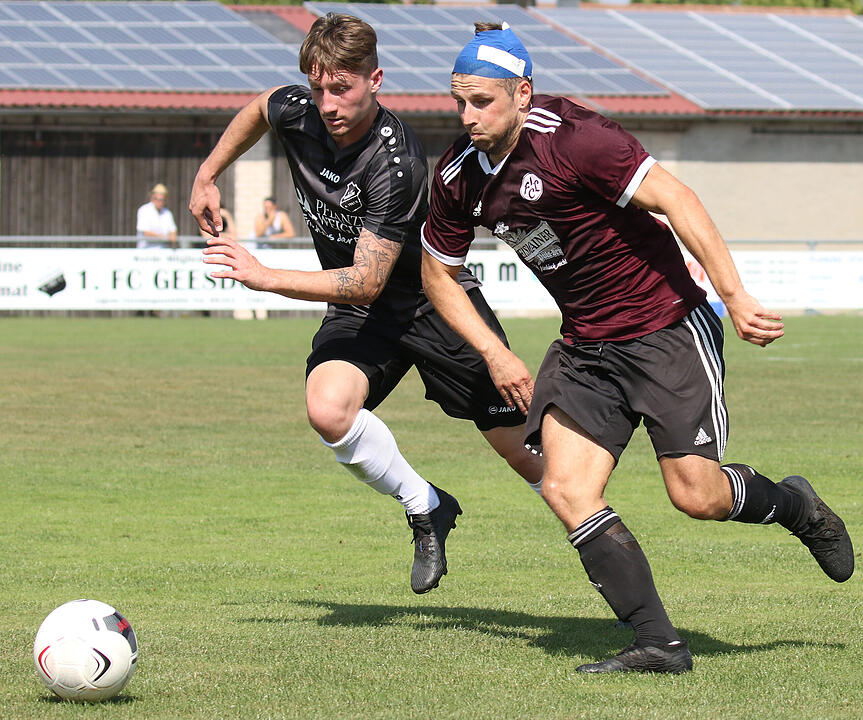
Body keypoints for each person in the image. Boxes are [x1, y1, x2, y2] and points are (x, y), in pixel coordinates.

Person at [420, 22, 854, 673]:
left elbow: (677, 198)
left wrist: (733, 296)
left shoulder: (574, 138)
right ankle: (658, 643)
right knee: (566, 489)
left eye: (481, 100)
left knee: (696, 496)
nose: (466, 115)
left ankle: (796, 505)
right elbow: (436, 274)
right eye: (458, 100)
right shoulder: (458, 177)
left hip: (665, 331)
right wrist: (492, 351)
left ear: (521, 93)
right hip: (586, 349)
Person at [189, 13, 543, 595]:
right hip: (363, 312)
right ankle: (427, 506)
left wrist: (264, 275)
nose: (328, 103)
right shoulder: (298, 110)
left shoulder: (395, 162)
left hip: (433, 301)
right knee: (328, 409)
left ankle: (615, 569)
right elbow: (261, 107)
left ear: (374, 79)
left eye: (342, 88)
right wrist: (207, 175)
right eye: (318, 87)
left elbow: (364, 282)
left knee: (531, 461)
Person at [136, 183, 178, 249]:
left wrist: (166, 237)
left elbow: (173, 234)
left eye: (161, 199)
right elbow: (145, 233)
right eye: (156, 198)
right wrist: (164, 237)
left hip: (164, 252)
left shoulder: (167, 213)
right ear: (152, 198)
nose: (158, 201)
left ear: (165, 200)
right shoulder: (144, 210)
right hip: (146, 252)